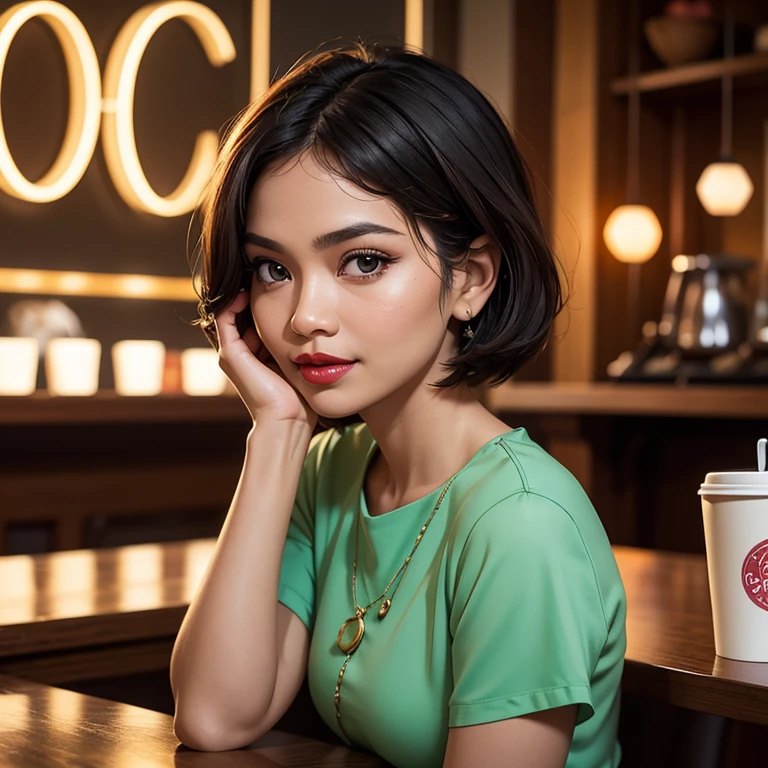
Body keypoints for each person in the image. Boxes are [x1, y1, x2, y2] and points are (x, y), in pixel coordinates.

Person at [170, 41, 627, 768]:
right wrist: (278, 433)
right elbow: (215, 715)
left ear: (472, 277)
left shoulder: (523, 526)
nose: (304, 318)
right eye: (273, 269)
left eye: (364, 261)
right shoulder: (330, 468)